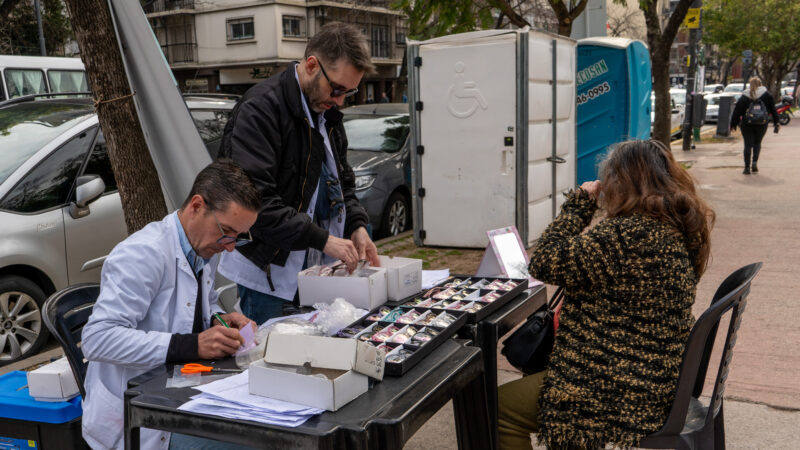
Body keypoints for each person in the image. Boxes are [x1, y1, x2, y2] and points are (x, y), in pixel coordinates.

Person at [497, 140, 715, 450]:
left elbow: (544, 260)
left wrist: (580, 203)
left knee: (500, 408)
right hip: (652, 376)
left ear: (619, 183)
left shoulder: (625, 235)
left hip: (615, 387)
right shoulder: (675, 225)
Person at [81, 160, 262, 450]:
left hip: (178, 393)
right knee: (252, 442)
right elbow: (97, 339)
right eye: (227, 231)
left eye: (238, 237)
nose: (230, 246)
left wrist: (220, 319)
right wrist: (191, 345)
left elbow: (197, 303)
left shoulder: (201, 247)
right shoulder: (143, 254)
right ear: (196, 206)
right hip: (141, 418)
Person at [219, 22, 380, 326]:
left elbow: (342, 180)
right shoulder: (260, 109)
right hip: (269, 275)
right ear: (311, 66)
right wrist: (323, 240)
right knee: (273, 361)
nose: (340, 100)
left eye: (349, 92)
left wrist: (357, 224)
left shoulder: (328, 113)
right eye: (336, 89)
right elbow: (255, 204)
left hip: (318, 270)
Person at [730, 76, 780, 174]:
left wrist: (733, 124)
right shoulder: (767, 95)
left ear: (750, 84)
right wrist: (776, 122)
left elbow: (737, 111)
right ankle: (754, 163)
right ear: (760, 84)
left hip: (747, 124)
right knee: (757, 143)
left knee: (747, 145)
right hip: (762, 124)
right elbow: (773, 110)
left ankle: (747, 167)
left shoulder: (745, 96)